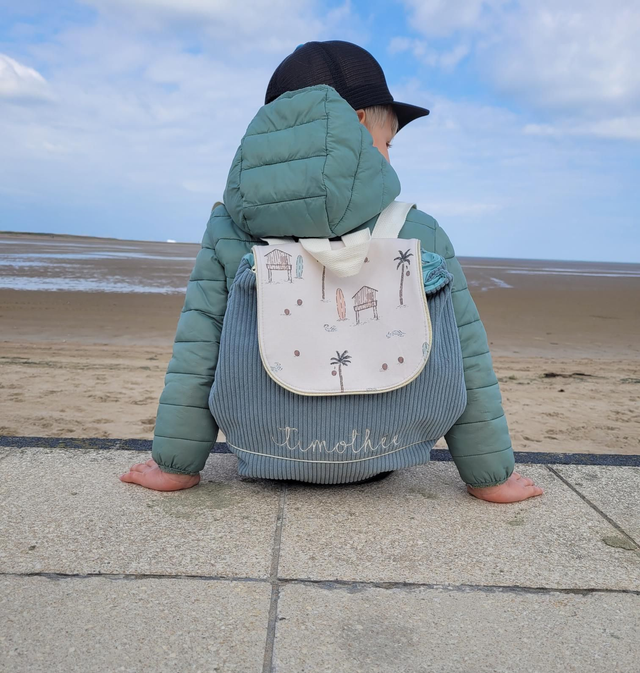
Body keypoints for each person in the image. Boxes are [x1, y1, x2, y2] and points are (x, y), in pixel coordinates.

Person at [120, 40, 543, 504]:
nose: (389, 155)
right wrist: (490, 475)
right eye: (388, 143)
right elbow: (467, 358)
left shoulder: (230, 228)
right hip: (389, 450)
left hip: (266, 447)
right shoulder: (417, 230)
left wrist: (175, 465)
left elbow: (197, 352)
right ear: (357, 129)